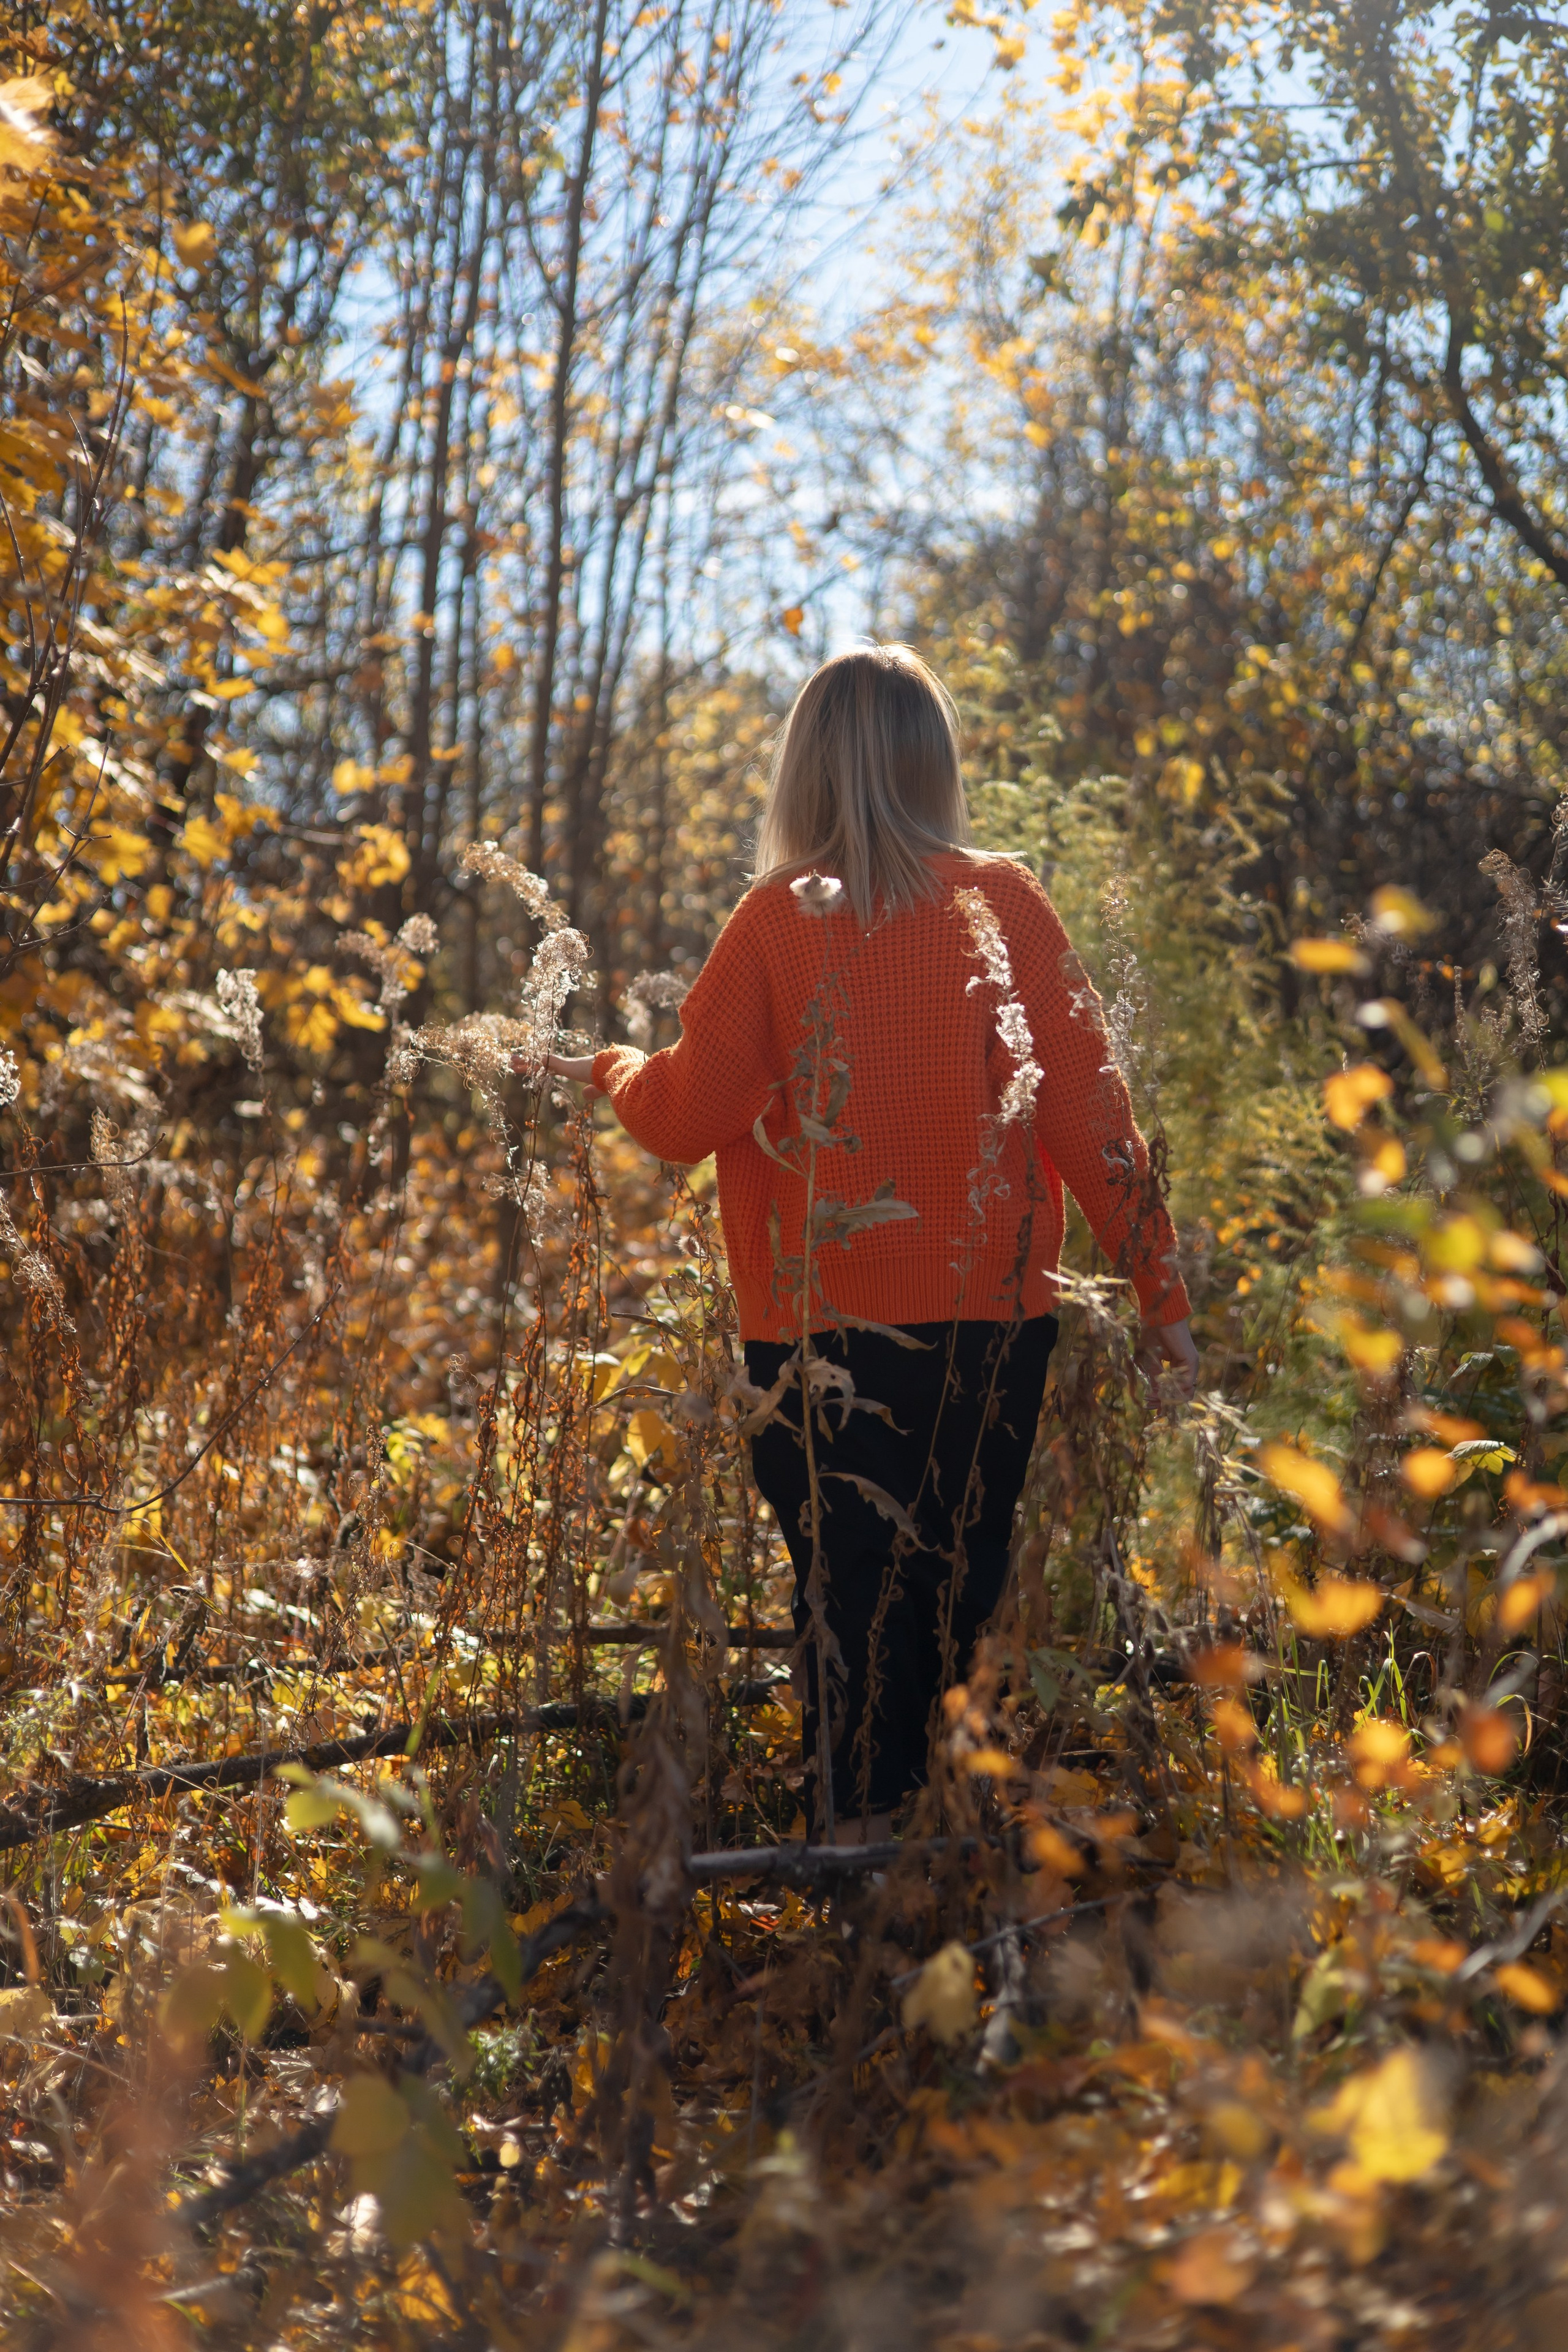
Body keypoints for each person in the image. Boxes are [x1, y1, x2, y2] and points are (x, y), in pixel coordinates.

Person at [543, 644, 1196, 1845]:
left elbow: (683, 1120)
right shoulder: (1001, 901)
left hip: (819, 1337)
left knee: (846, 1601)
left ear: (802, 774)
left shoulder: (774, 924)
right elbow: (1096, 1118)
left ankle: (857, 1860)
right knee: (952, 1590)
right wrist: (1165, 1306)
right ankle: (929, 1864)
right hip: (996, 1328)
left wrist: (614, 1068)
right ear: (931, 766)